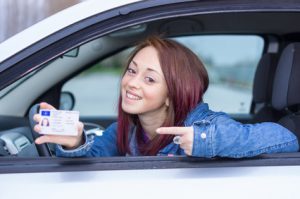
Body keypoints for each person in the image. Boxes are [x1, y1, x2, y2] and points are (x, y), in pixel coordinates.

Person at [33, 36, 299, 158]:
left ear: (173, 93)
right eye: (131, 71)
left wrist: (205, 141)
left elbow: (285, 138)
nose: (131, 83)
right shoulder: (124, 131)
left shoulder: (205, 124)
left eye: (149, 79)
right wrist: (74, 142)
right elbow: (94, 156)